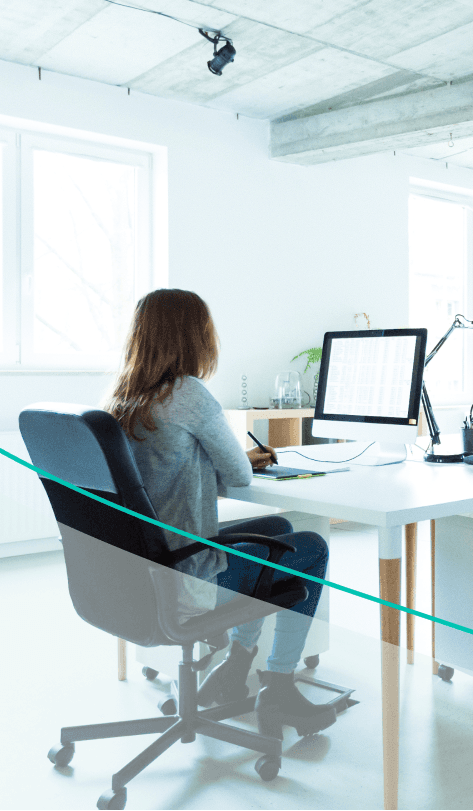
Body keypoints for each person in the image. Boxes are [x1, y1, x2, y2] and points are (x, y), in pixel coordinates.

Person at [106, 288, 335, 737]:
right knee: (312, 549)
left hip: (141, 575)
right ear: (194, 337)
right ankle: (278, 685)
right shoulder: (187, 393)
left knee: (280, 529)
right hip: (188, 583)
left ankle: (236, 665)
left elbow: (162, 476)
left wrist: (211, 464)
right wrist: (236, 461)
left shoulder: (123, 401)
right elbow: (240, 477)